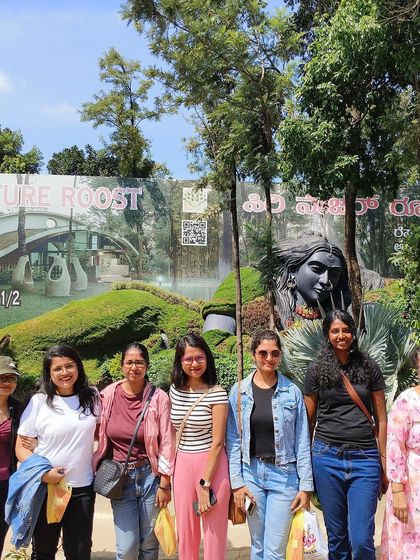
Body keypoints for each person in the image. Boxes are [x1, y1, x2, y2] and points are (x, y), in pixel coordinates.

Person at [304, 310, 388, 560]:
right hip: (326, 457)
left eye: (346, 330)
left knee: (362, 540)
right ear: (327, 335)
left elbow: (381, 417)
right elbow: (309, 420)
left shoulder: (368, 366)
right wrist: (306, 464)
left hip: (365, 459)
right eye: (335, 331)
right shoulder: (317, 369)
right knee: (337, 538)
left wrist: (383, 460)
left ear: (353, 332)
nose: (341, 336)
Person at [226, 329, 313, 560]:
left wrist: (305, 487)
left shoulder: (291, 391)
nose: (269, 358)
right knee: (257, 546)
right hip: (252, 475)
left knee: (275, 550)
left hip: (284, 477)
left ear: (280, 355)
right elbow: (233, 440)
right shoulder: (239, 392)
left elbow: (303, 440)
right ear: (254, 354)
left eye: (274, 353)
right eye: (263, 353)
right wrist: (237, 483)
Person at [15, 345, 99, 560]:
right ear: (49, 374)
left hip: (82, 489)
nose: (64, 373)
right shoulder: (39, 402)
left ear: (78, 368)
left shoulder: (92, 398)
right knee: (43, 550)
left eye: (69, 366)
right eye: (58, 369)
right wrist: (44, 474)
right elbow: (21, 447)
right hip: (46, 488)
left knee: (79, 552)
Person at [93, 342, 175, 560]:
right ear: (121, 366)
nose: (134, 367)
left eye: (139, 362)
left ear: (147, 366)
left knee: (149, 543)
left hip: (150, 476)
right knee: (127, 547)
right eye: (129, 362)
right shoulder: (108, 395)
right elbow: (94, 430)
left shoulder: (159, 398)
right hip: (119, 478)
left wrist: (165, 483)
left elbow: (167, 441)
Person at [169, 333, 230, 560]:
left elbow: (217, 442)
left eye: (199, 357)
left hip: (212, 466)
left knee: (214, 535)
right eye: (188, 359)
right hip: (182, 465)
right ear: (180, 361)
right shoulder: (174, 391)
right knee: (186, 534)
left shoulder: (217, 393)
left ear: (207, 358)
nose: (194, 364)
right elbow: (172, 433)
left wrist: (205, 485)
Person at [380, 348, 420, 559]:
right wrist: (397, 492)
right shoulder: (406, 402)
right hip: (411, 489)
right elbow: (394, 446)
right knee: (408, 544)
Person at [0, 356, 35, 556]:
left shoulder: (19, 409)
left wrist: (36, 444)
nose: (6, 382)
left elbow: (30, 437)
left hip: (6, 483)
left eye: (11, 378)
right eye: (2, 377)